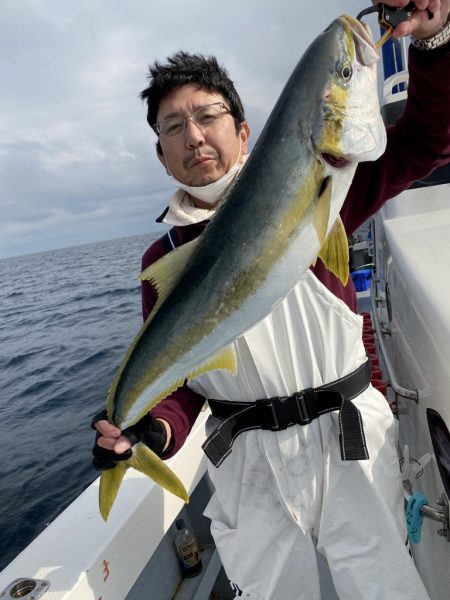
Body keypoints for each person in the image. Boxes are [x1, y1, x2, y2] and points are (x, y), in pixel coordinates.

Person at [92, 1, 450, 598]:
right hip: (247, 465)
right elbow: (180, 375)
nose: (195, 136)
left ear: (243, 129)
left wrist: (435, 41)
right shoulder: (162, 260)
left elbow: (428, 140)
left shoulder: (329, 184)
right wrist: (149, 429)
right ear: (161, 155)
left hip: (351, 443)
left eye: (207, 115)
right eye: (173, 127)